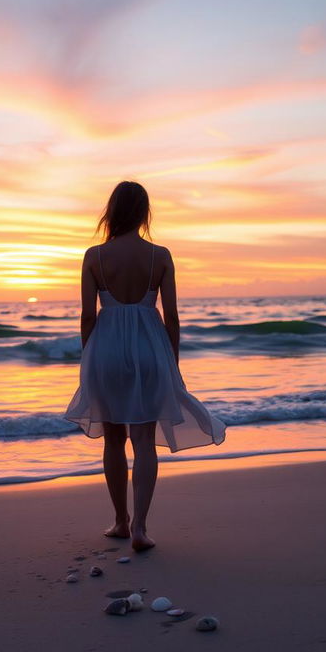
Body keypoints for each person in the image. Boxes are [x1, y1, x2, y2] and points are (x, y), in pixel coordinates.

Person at [64, 180, 226, 552]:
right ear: (143, 212)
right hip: (150, 349)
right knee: (143, 441)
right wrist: (174, 362)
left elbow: (88, 316)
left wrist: (88, 359)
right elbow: (172, 317)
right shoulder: (160, 255)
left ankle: (120, 521)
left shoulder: (94, 256)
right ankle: (140, 527)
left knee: (114, 440)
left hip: (105, 351)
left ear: (112, 211)